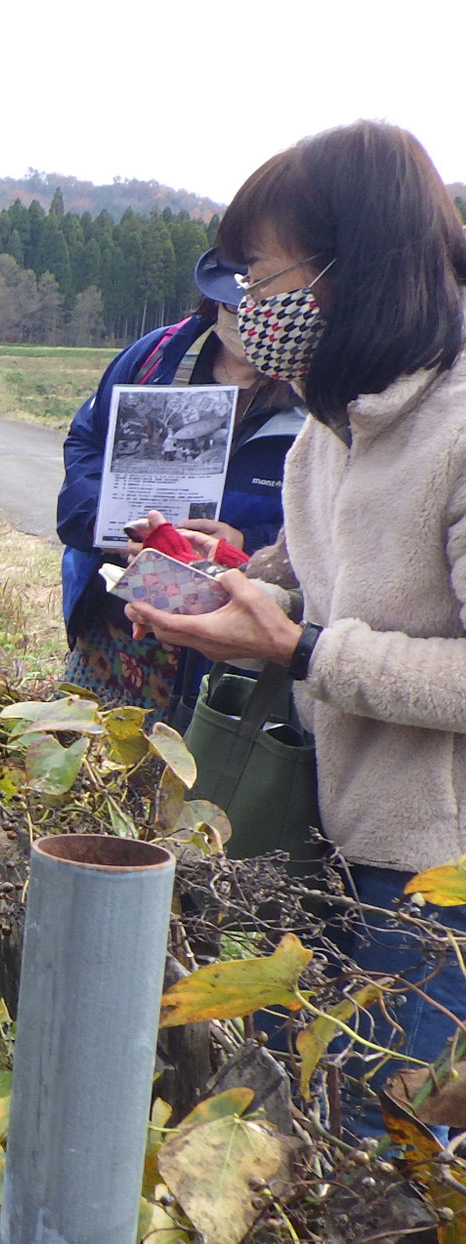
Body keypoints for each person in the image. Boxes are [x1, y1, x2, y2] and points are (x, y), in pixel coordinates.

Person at [123, 121, 466, 1128]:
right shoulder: (330, 429)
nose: (245, 310)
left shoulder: (453, 430)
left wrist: (306, 652)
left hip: (437, 874)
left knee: (384, 1146)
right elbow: (315, 583)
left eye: (262, 277)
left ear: (351, 272)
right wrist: (220, 579)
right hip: (328, 842)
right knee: (303, 1120)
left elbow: (334, 639)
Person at [55, 249, 302, 717]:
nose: (246, 323)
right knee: (85, 758)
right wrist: (110, 525)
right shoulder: (157, 356)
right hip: (118, 620)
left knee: (190, 774)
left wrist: (249, 545)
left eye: (259, 309)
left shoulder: (315, 397)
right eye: (233, 308)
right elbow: (87, 441)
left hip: (233, 643)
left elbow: (329, 525)